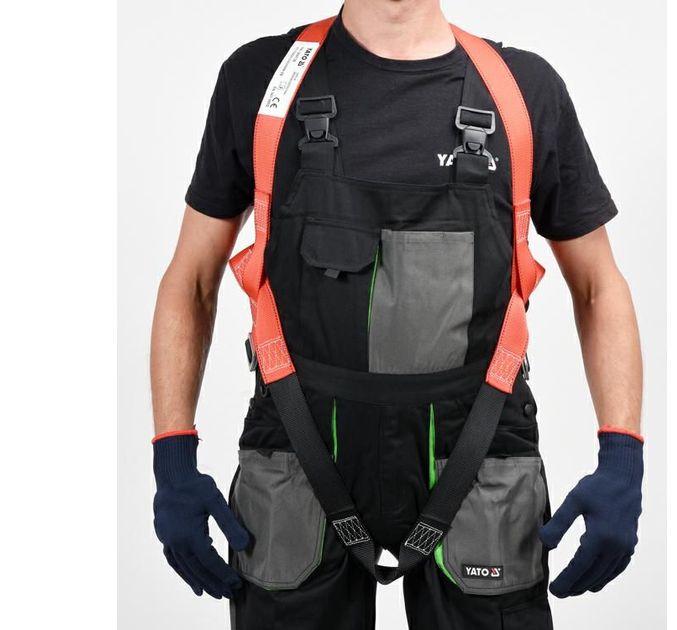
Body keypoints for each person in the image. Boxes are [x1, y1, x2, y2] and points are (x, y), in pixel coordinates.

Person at [149, 1, 644, 628]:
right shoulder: (262, 80)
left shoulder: (523, 91)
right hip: (300, 442)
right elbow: (192, 279)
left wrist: (622, 458)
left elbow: (598, 285)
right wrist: (172, 458)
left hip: (478, 446)